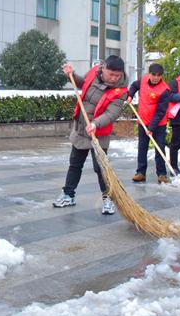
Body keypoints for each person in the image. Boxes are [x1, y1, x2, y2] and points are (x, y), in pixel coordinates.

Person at [54, 56, 129, 214]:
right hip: (81, 128)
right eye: (111, 75)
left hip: (99, 132)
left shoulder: (121, 90)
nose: (114, 79)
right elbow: (83, 83)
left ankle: (108, 198)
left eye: (117, 75)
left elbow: (112, 113)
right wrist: (71, 75)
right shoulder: (94, 71)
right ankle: (68, 194)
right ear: (103, 69)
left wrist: (96, 123)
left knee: (101, 168)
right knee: (75, 164)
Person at [127, 63, 171, 184]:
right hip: (143, 121)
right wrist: (130, 94)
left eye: (159, 75)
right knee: (142, 148)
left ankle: (162, 174)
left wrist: (151, 127)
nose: (156, 77)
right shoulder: (144, 80)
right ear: (149, 73)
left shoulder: (164, 90)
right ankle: (140, 173)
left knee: (159, 149)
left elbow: (160, 112)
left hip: (158, 124)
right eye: (153, 74)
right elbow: (134, 85)